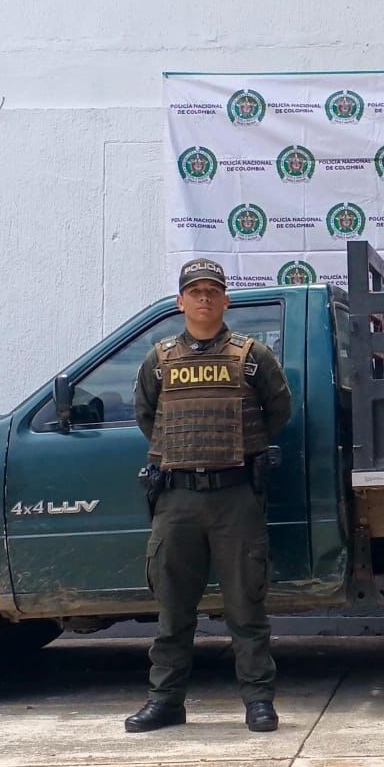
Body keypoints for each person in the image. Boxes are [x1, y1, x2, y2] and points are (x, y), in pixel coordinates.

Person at [125, 258, 292, 734]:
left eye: (211, 291)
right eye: (194, 291)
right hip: (177, 499)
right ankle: (166, 702)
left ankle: (259, 701)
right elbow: (147, 416)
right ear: (180, 302)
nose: (203, 299)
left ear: (225, 300)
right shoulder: (159, 360)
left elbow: (278, 410)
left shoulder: (252, 355)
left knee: (246, 607)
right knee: (173, 609)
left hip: (234, 495)